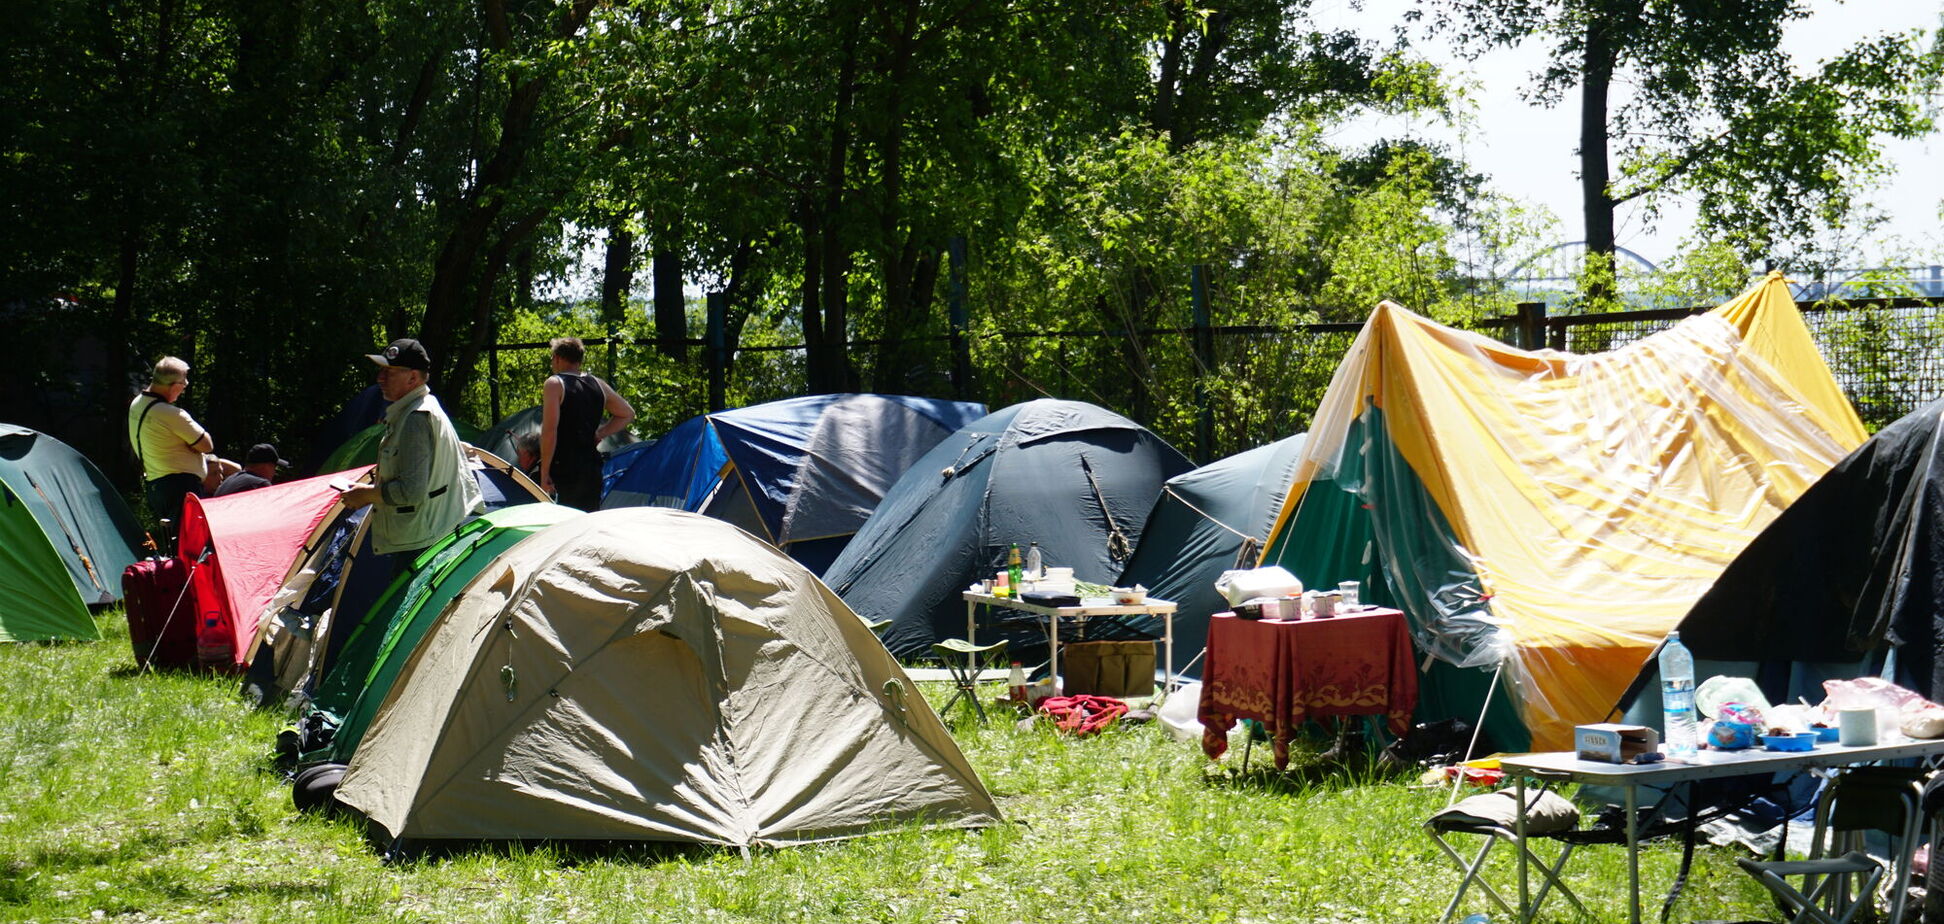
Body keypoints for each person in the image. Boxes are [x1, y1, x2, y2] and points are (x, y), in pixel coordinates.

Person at [338, 338, 482, 559]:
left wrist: (365, 495)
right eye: (381, 370)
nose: (380, 378)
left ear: (413, 377)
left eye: (390, 371)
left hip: (420, 541)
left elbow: (411, 491)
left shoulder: (415, 418)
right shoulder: (423, 406)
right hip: (429, 531)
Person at [128, 356, 235, 528]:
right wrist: (190, 446)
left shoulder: (137, 404)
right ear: (176, 385)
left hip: (156, 486)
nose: (183, 390)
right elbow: (207, 446)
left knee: (172, 542)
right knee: (188, 544)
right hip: (179, 488)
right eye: (184, 386)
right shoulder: (170, 414)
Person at [539, 337, 634, 512]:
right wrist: (600, 433)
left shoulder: (554, 383)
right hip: (591, 467)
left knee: (564, 525)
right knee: (587, 524)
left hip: (564, 468)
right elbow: (627, 413)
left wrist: (544, 472)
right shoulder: (598, 384)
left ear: (558, 357)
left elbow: (549, 431)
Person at [214, 443, 288, 496]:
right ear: (266, 466)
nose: (274, 472)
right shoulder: (260, 484)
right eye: (274, 468)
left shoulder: (228, 481)